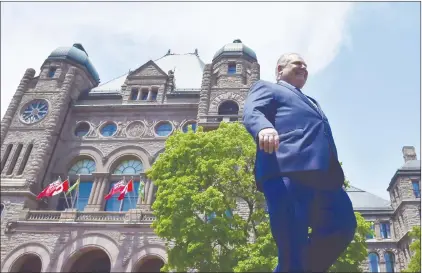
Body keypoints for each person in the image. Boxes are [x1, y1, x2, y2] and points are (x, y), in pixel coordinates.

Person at [243, 53, 357, 272]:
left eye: (306, 65)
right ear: (279, 70)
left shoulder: (312, 101)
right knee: (292, 244)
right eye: (297, 63)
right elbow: (252, 111)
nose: (303, 67)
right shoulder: (266, 87)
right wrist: (263, 128)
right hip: (286, 170)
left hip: (326, 180)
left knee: (343, 225)